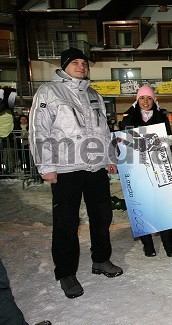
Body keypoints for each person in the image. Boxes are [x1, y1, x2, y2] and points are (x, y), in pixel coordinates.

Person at [28, 47, 123, 299]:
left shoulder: (94, 94)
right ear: (64, 66)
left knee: (102, 216)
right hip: (65, 168)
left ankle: (101, 260)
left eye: (84, 63)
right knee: (66, 223)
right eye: (76, 63)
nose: (81, 66)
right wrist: (45, 166)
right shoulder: (49, 91)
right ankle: (66, 273)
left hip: (95, 167)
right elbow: (39, 130)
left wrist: (109, 158)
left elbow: (104, 131)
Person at [120, 85, 172, 258]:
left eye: (149, 98)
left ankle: (167, 243)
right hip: (138, 169)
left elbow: (168, 140)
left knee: (163, 206)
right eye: (142, 98)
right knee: (141, 205)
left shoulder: (162, 117)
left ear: (154, 100)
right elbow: (123, 144)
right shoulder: (128, 118)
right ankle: (148, 244)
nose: (146, 102)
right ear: (137, 100)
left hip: (158, 167)